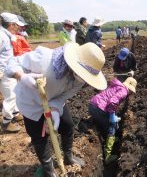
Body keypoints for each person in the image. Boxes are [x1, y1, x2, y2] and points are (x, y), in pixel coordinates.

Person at [6, 42, 107, 176]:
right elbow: (11, 64)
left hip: (53, 101)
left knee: (68, 126)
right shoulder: (45, 59)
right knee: (39, 137)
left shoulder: (80, 80)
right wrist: (21, 76)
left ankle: (68, 157)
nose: (83, 79)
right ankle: (49, 170)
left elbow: (63, 96)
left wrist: (54, 109)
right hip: (31, 103)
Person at [88, 77, 137, 164]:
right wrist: (111, 115)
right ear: (130, 89)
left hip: (93, 105)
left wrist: (113, 114)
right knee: (112, 127)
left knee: (109, 123)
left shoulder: (117, 86)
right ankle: (107, 156)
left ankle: (111, 138)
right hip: (99, 109)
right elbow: (112, 102)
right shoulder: (124, 91)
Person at [0, 12, 24, 132]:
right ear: (11, 25)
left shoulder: (6, 35)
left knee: (14, 92)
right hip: (3, 72)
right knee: (10, 96)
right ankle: (6, 123)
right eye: (16, 25)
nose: (18, 28)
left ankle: (15, 113)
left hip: (8, 70)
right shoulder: (2, 36)